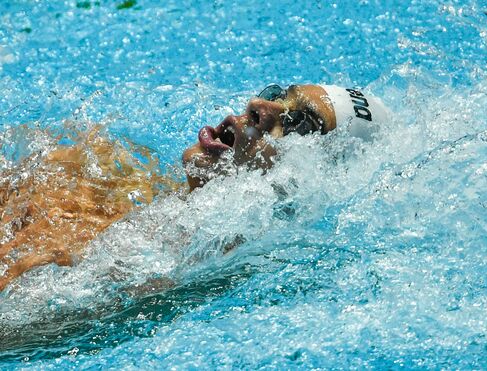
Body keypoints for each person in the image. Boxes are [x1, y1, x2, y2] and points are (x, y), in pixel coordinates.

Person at [0, 84, 389, 292]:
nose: (258, 105)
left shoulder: (158, 272)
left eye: (297, 123)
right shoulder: (130, 179)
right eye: (276, 94)